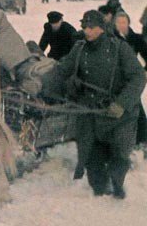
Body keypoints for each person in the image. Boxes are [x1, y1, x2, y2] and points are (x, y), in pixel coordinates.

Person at [50, 10, 145, 199]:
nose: (87, 31)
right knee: (91, 155)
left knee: (119, 155)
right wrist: (43, 87)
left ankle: (117, 184)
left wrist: (121, 103)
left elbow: (138, 77)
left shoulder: (120, 48)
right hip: (89, 111)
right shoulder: (79, 48)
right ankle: (100, 190)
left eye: (91, 27)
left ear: (101, 28)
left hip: (118, 113)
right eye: (84, 27)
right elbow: (61, 71)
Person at [113, 11, 147, 148]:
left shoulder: (135, 38)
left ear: (128, 23)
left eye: (124, 22)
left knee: (135, 108)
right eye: (118, 23)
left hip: (131, 80)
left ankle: (142, 140)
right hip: (114, 80)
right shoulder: (111, 39)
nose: (121, 25)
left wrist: (143, 71)